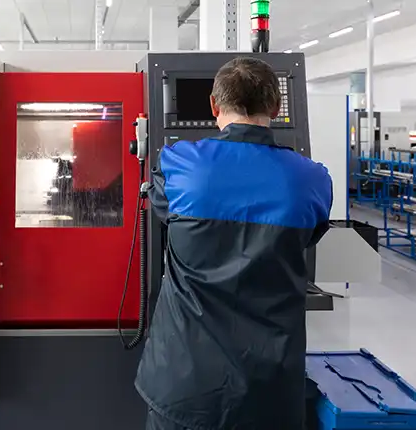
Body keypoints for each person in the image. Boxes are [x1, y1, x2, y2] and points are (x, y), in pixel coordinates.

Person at [135, 57, 333, 430]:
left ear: (214, 105)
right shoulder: (312, 180)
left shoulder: (179, 164)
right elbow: (310, 237)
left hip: (185, 386)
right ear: (276, 106)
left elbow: (161, 211)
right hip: (269, 391)